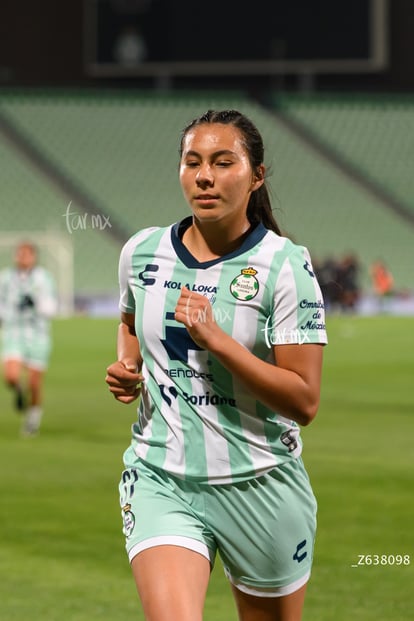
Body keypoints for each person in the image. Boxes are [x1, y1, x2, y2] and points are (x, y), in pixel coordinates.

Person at [105, 109, 327, 621]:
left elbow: (304, 400)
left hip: (262, 484)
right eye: (193, 162)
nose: (205, 175)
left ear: (256, 176)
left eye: (223, 162)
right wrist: (127, 364)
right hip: (162, 477)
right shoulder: (142, 251)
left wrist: (221, 343)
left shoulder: (285, 265)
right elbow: (129, 319)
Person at [0, 241, 58, 435]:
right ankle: (18, 390)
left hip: (38, 335)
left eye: (26, 254)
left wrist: (36, 303)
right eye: (19, 254)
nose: (22, 258)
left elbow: (51, 308)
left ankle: (32, 419)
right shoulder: (6, 278)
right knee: (10, 376)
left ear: (34, 257)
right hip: (13, 332)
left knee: (34, 383)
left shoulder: (43, 279)